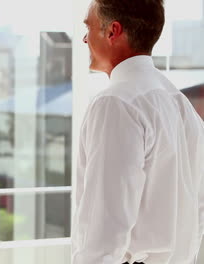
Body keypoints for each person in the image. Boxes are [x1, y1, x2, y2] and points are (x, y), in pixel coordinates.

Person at [72, 0, 204, 263]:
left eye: (90, 27)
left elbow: (105, 228)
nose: (85, 39)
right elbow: (196, 209)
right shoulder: (181, 105)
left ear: (113, 31)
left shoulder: (116, 103)